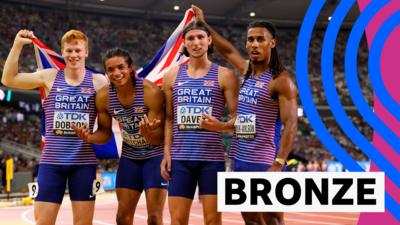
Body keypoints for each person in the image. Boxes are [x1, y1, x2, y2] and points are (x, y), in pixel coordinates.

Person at [193, 6, 298, 225]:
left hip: (265, 161)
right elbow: (229, 51)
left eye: (261, 39)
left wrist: (279, 164)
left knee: (273, 220)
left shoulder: (281, 80)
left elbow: (291, 125)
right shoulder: (248, 71)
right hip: (239, 159)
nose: (255, 44)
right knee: (250, 220)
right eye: (251, 40)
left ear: (272, 43)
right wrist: (203, 24)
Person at [1, 29, 109, 225]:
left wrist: (90, 137)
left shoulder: (99, 82)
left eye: (77, 50)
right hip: (51, 164)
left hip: (83, 165)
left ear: (86, 52)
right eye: (69, 51)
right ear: (62, 52)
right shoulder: (49, 77)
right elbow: (8, 80)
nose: (73, 55)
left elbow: (106, 130)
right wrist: (17, 45)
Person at [73, 48, 166, 225]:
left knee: (154, 218)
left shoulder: (150, 92)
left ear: (130, 67)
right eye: (110, 69)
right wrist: (90, 138)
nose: (116, 73)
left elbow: (159, 138)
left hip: (154, 156)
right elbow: (105, 134)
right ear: (106, 73)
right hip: (130, 156)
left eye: (121, 67)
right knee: (122, 217)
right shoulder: (103, 97)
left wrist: (148, 133)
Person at [160, 21, 239, 225]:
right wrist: (166, 153)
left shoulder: (225, 76)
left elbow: (242, 120)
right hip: (179, 159)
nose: (196, 42)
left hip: (211, 160)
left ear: (209, 40)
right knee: (177, 221)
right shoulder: (171, 76)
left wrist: (220, 126)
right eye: (191, 39)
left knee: (213, 221)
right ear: (184, 44)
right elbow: (169, 118)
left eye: (200, 37)